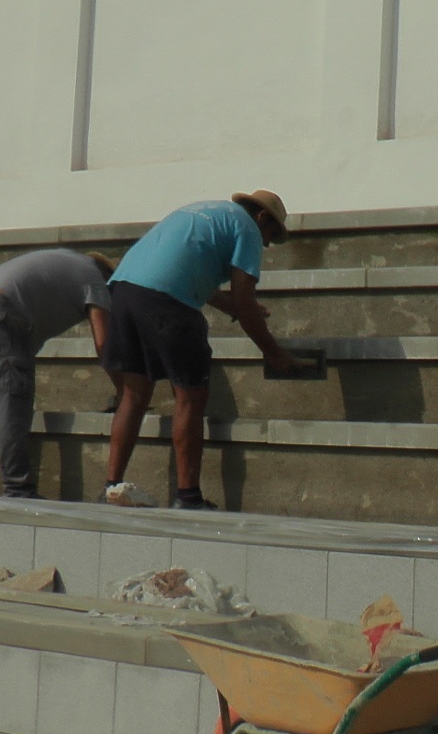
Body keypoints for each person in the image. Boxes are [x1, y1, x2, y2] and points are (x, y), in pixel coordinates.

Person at [101, 190, 303, 510]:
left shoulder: (204, 212)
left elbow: (189, 275)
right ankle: (188, 496)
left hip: (124, 292)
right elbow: (243, 296)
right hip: (168, 304)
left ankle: (111, 487)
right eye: (271, 235)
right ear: (262, 217)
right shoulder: (248, 228)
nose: (266, 244)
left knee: (133, 393)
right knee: (190, 396)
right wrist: (273, 352)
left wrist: (234, 308)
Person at [0, 248, 116, 499]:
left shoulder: (71, 261)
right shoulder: (97, 282)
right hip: (6, 309)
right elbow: (104, 344)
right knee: (12, 398)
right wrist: (124, 388)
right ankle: (17, 487)